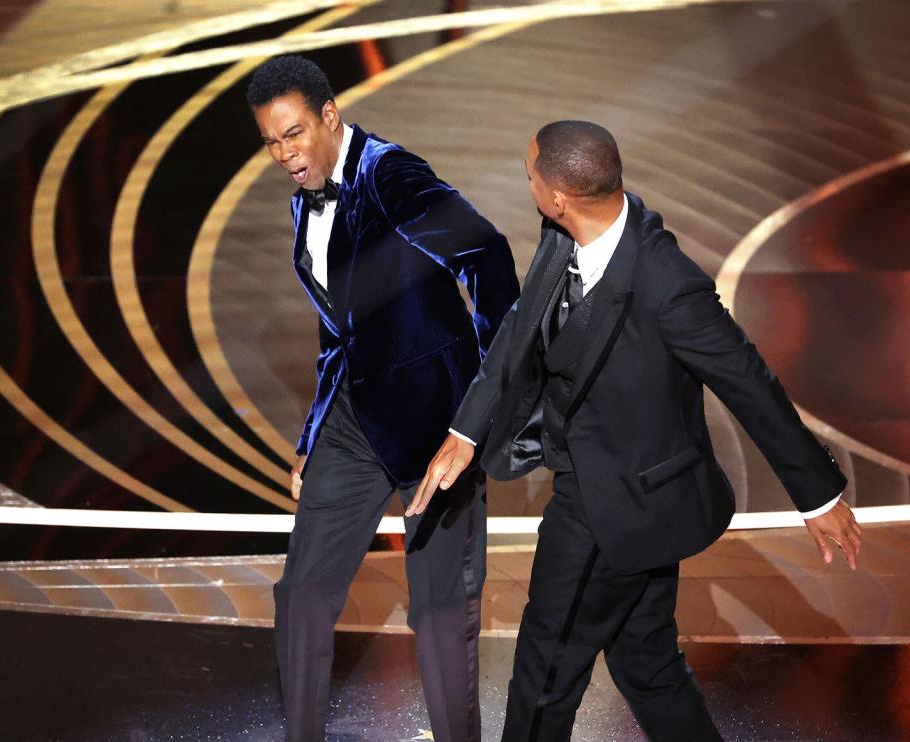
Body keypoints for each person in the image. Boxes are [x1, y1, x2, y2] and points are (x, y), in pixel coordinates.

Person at [410, 120, 861, 741]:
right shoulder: (562, 233)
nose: (530, 186)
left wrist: (818, 493)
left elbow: (748, 382)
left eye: (531, 175)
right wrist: (466, 430)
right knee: (645, 663)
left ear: (558, 195)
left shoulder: (668, 285)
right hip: (615, 495)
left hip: (613, 504)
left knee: (544, 677)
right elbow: (520, 327)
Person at [246, 56, 519, 742]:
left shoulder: (392, 176)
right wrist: (313, 432)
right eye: (272, 142)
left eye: (294, 134)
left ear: (329, 115)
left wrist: (476, 412)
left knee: (437, 609)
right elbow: (339, 326)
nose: (285, 154)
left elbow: (486, 258)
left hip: (436, 426)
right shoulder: (303, 195)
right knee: (303, 592)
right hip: (353, 420)